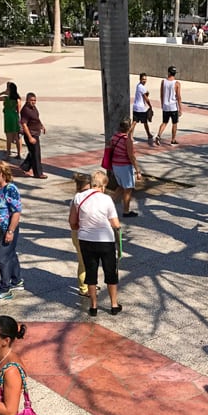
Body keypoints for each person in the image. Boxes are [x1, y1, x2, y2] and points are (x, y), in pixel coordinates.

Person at [68, 170, 122, 316]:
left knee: (91, 273)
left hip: (86, 240)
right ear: (102, 186)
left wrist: (81, 228)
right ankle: (114, 304)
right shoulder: (107, 199)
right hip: (105, 240)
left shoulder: (78, 197)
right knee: (110, 272)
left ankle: (93, 306)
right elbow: (115, 224)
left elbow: (72, 222)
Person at [0, 161, 24, 301]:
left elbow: (16, 212)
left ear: (4, 174)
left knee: (2, 258)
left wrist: (10, 231)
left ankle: (5, 288)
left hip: (7, 228)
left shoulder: (11, 189)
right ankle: (16, 280)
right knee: (10, 254)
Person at [109, 118, 143, 218]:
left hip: (115, 165)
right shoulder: (127, 140)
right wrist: (137, 170)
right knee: (128, 189)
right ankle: (126, 211)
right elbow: (131, 156)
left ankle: (107, 204)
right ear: (129, 128)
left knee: (120, 187)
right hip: (124, 166)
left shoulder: (114, 137)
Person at [69, 173, 92, 297]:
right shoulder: (78, 198)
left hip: (81, 232)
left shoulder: (77, 197)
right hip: (80, 232)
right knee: (83, 261)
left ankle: (89, 282)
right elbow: (72, 222)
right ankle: (84, 288)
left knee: (87, 260)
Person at [0, 82, 22, 158]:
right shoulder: (18, 99)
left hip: (8, 117)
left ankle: (8, 154)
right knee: (16, 137)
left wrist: (3, 92)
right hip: (15, 117)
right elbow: (19, 110)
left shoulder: (5, 98)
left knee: (9, 137)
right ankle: (19, 154)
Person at [19, 93, 46, 178]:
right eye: (31, 100)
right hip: (31, 134)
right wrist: (30, 137)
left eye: (34, 100)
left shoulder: (33, 108)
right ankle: (38, 173)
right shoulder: (25, 110)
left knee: (33, 152)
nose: (33, 102)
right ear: (27, 100)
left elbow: (36, 118)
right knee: (36, 153)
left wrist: (41, 126)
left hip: (36, 133)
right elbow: (24, 124)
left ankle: (25, 166)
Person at [155, 66, 182, 146]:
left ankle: (159, 135)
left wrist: (162, 104)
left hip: (165, 106)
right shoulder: (177, 83)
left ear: (168, 72)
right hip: (173, 106)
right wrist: (180, 108)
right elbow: (178, 97)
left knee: (164, 122)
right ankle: (173, 139)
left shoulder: (163, 82)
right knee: (174, 123)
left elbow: (161, 94)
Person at [130, 73, 153, 143]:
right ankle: (149, 135)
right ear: (140, 79)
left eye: (145, 79)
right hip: (141, 108)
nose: (144, 80)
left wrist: (146, 93)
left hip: (135, 107)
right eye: (143, 79)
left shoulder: (138, 86)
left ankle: (130, 136)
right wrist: (150, 106)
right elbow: (146, 98)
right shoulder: (142, 87)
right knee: (145, 122)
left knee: (134, 122)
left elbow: (144, 95)